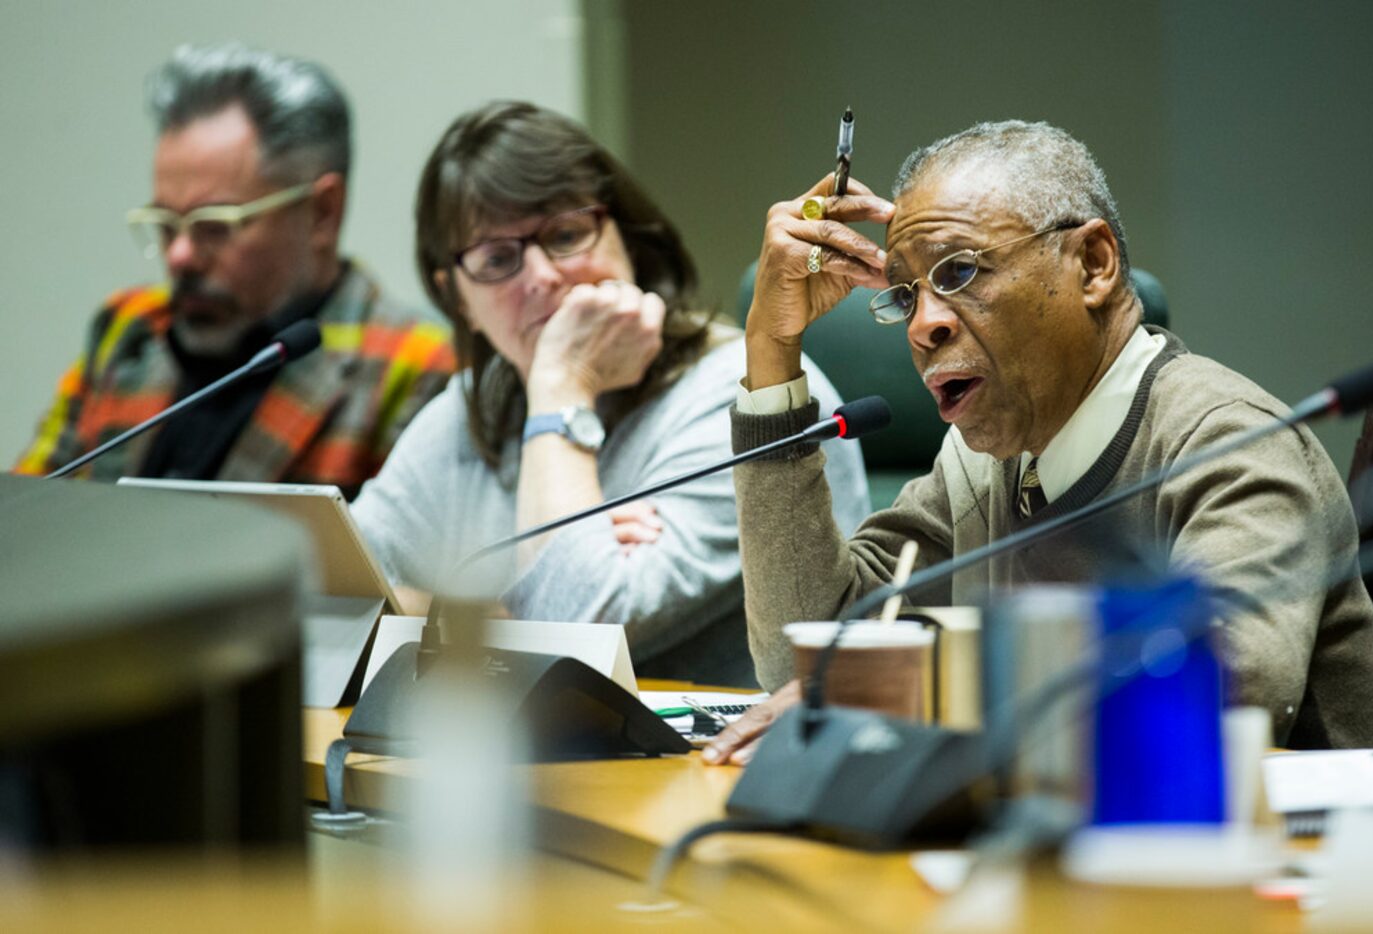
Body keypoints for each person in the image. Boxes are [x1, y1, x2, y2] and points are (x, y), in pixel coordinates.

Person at [706, 120, 1373, 760]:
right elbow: (814, 644)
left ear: (1093, 264)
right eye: (905, 293)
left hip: (1289, 876)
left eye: (958, 272)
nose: (924, 325)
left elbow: (1223, 686)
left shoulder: (1230, 439)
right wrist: (771, 353)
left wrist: (912, 686)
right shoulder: (982, 465)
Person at [350, 101, 870, 687]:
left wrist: (561, 388)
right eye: (498, 259)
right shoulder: (476, 402)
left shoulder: (748, 397)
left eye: (567, 235)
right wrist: (503, 618)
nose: (542, 277)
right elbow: (336, 599)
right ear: (457, 300)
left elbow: (575, 632)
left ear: (628, 237)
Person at [14, 43, 453, 496]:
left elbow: (402, 566)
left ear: (322, 212)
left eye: (215, 226)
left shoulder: (418, 367)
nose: (179, 255)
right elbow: (26, 519)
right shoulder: (127, 327)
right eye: (165, 224)